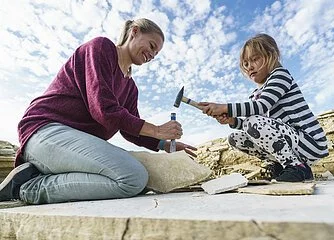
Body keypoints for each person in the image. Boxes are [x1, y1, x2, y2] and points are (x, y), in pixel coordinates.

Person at [0, 18, 197, 204]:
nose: (152, 56)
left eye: (156, 55)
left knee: (144, 179)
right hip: (44, 131)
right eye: (152, 46)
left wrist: (165, 144)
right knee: (133, 177)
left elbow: (130, 130)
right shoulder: (101, 48)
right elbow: (103, 109)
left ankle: (44, 174)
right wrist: (156, 129)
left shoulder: (130, 87)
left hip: (72, 145)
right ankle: (24, 187)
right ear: (134, 32)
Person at [199, 33, 329, 182]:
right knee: (235, 138)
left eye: (255, 59)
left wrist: (224, 107)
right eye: (246, 63)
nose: (250, 67)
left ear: (272, 55)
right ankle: (283, 165)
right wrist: (233, 121)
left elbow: (260, 108)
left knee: (252, 121)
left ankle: (296, 167)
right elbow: (260, 128)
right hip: (292, 143)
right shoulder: (256, 94)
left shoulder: (280, 75)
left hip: (309, 142)